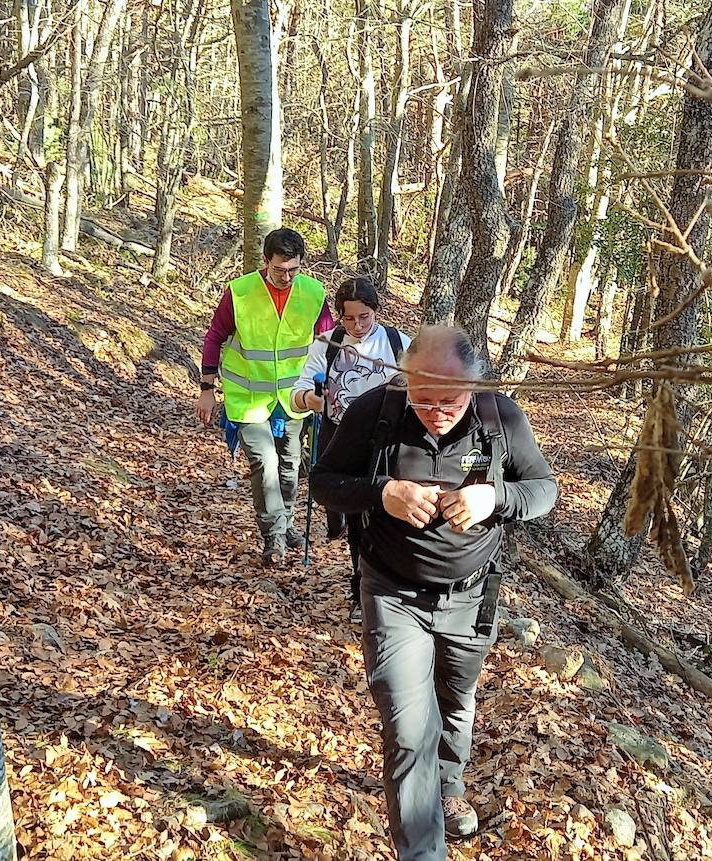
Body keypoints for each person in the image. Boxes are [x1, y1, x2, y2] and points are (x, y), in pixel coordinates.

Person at [310, 325, 557, 861]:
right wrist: (384, 492)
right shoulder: (376, 411)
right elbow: (323, 480)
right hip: (392, 592)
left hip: (472, 597)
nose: (437, 411)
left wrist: (494, 497)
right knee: (407, 726)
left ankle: (449, 782)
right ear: (404, 380)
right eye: (422, 399)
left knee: (456, 702)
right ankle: (423, 852)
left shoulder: (501, 419)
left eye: (451, 400)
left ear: (476, 386)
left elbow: (544, 490)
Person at [196, 227, 335, 568]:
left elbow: (330, 342)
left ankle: (286, 524)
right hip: (248, 397)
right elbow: (215, 337)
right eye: (279, 270)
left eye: (293, 270)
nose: (286, 277)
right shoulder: (240, 293)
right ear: (265, 261)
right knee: (265, 464)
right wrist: (207, 390)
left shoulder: (314, 293)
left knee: (291, 465)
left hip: (295, 399)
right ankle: (273, 536)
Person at [291, 276, 410, 615]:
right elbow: (296, 394)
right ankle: (361, 590)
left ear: (376, 311)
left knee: (385, 515)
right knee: (357, 518)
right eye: (348, 318)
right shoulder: (326, 345)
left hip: (388, 445)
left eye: (364, 317)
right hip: (342, 442)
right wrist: (313, 400)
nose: (357, 325)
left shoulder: (399, 344)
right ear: (339, 315)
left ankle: (388, 585)